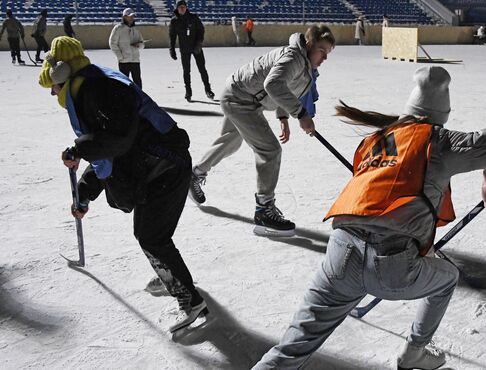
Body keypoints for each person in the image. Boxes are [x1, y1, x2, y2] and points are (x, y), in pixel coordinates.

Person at [252, 66, 486, 369]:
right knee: (447, 278)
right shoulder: (439, 141)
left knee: (290, 349)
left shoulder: (375, 139)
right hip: (390, 265)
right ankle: (414, 352)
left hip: (340, 253)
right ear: (441, 112)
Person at [38, 36, 208, 333]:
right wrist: (84, 195)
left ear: (63, 74)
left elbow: (116, 141)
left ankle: (190, 300)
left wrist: (79, 150)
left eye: (52, 86)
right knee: (151, 234)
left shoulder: (97, 89)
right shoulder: (91, 86)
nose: (53, 93)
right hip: (157, 166)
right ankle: (171, 275)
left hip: (165, 165)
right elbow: (108, 150)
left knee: (151, 235)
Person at [188, 25, 335, 237]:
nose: (324, 58)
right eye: (322, 51)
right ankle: (264, 210)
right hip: (241, 100)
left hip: (238, 93)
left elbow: (286, 88)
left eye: (327, 53)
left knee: (231, 140)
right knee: (270, 150)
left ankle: (194, 175)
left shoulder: (302, 62)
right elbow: (273, 84)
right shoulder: (294, 58)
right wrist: (301, 114)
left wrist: (283, 116)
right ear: (310, 44)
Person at [169, 0, 214, 102]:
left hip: (196, 47)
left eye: (184, 7)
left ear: (186, 7)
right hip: (184, 49)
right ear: (177, 8)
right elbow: (172, 36)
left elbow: (201, 30)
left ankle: (208, 90)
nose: (182, 9)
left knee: (202, 69)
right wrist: (172, 49)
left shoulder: (193, 17)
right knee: (186, 71)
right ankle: (188, 91)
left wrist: (199, 44)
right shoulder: (174, 21)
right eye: (180, 7)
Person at [109, 8, 145, 88]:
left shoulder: (136, 29)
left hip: (135, 60)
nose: (132, 18)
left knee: (138, 82)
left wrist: (139, 45)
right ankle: (124, 99)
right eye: (130, 16)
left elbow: (142, 43)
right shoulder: (118, 29)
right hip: (124, 61)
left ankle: (139, 99)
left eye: (133, 16)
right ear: (124, 17)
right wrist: (120, 57)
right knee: (123, 83)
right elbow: (112, 43)